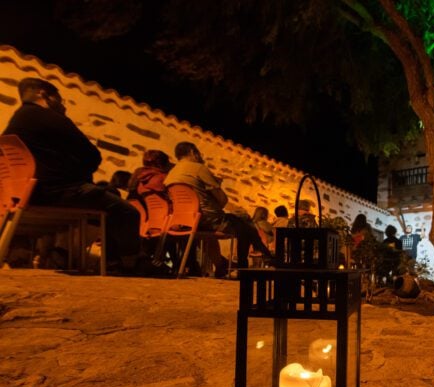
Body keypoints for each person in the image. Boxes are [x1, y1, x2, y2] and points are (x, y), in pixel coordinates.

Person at [2, 77, 140, 272]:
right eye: (59, 99)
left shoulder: (16, 121)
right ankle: (128, 263)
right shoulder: (50, 118)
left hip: (25, 194)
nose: (61, 104)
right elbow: (93, 156)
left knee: (107, 194)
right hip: (55, 193)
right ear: (45, 95)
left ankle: (93, 258)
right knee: (127, 211)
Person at [164, 141, 272, 271]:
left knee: (243, 226)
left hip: (186, 220)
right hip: (209, 221)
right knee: (246, 225)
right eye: (198, 153)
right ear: (193, 152)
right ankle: (249, 264)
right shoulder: (199, 168)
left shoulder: (171, 174)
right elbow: (222, 200)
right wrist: (216, 185)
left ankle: (226, 266)